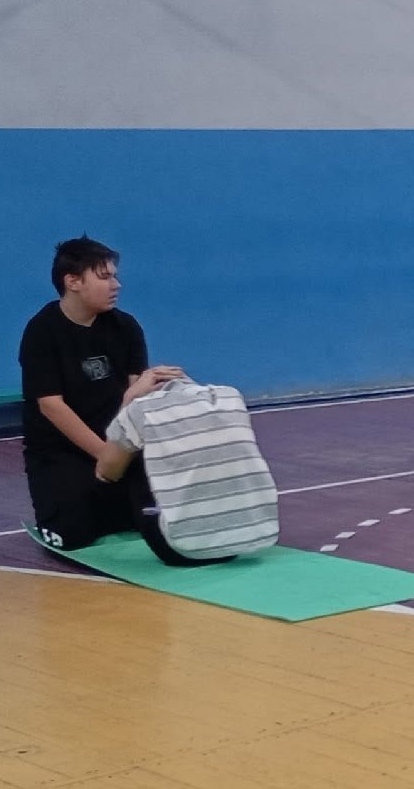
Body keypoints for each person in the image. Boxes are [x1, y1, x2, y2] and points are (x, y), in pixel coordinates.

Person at [19, 236, 183, 548]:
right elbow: (52, 406)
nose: (116, 285)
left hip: (121, 444)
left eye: (115, 276)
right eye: (105, 277)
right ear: (73, 282)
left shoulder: (126, 327)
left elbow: (134, 399)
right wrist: (106, 456)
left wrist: (122, 446)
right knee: (72, 535)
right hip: (62, 452)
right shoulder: (42, 331)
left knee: (160, 521)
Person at [96, 377, 279, 564]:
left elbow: (107, 471)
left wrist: (128, 400)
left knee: (131, 454)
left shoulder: (140, 408)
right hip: (248, 540)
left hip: (181, 550)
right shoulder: (231, 396)